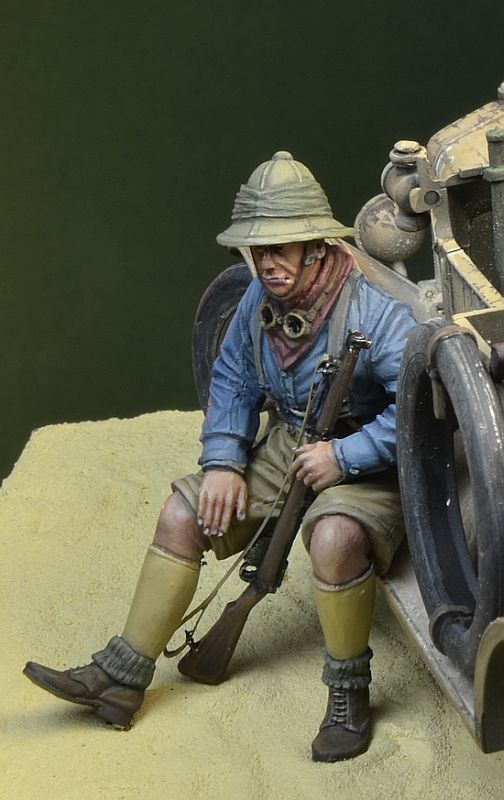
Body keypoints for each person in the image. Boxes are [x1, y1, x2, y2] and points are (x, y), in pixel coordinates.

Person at [24, 151, 416, 762]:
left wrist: (345, 455)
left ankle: (348, 694)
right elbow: (232, 379)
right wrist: (225, 462)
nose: (266, 263)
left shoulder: (378, 315)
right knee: (181, 515)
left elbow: (416, 415)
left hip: (369, 459)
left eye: (279, 249)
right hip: (290, 443)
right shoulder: (260, 300)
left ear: (316, 247)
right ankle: (120, 677)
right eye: (256, 250)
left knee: (334, 538)